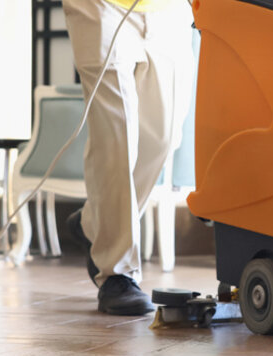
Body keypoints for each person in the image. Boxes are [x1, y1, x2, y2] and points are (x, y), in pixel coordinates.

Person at [61, 0, 195, 315]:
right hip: (100, 7)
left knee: (162, 137)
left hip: (168, 11)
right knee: (116, 136)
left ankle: (94, 222)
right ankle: (116, 273)